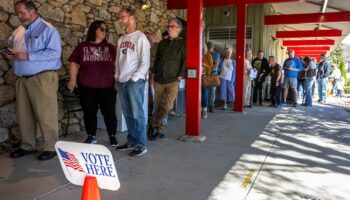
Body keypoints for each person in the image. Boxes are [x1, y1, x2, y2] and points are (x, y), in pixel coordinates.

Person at [7, 0, 61, 160]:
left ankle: (51, 147)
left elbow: (55, 53)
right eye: (17, 13)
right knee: (24, 115)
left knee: (46, 114)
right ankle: (27, 145)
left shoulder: (48, 29)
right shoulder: (19, 30)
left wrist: (28, 55)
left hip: (42, 78)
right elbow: (11, 45)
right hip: (22, 79)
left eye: (21, 12)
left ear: (33, 12)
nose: (19, 16)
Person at [68, 20, 118, 146]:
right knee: (89, 112)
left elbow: (118, 65)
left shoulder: (111, 48)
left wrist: (117, 80)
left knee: (109, 112)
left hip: (107, 86)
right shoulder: (82, 46)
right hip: (87, 86)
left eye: (106, 29)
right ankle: (91, 136)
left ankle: (112, 136)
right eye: (101, 29)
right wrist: (72, 80)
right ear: (94, 29)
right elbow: (74, 63)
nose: (104, 31)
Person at [115, 8, 150, 157]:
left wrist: (135, 78)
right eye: (119, 18)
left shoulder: (141, 38)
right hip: (122, 81)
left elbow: (145, 62)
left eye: (123, 17)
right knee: (127, 114)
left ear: (132, 18)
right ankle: (132, 140)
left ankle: (141, 144)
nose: (120, 20)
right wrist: (117, 76)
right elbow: (118, 61)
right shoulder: (121, 39)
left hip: (135, 82)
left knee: (137, 114)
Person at [148, 18, 186, 140]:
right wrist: (153, 76)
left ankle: (152, 123)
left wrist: (180, 75)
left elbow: (185, 61)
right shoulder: (162, 44)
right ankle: (160, 131)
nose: (169, 28)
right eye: (168, 26)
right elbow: (157, 60)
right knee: (158, 106)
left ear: (179, 29)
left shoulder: (183, 44)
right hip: (159, 79)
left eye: (172, 26)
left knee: (167, 107)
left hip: (173, 80)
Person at [207, 41, 221, 112]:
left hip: (213, 73)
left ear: (213, 48)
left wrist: (206, 65)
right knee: (205, 91)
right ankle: (205, 105)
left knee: (212, 91)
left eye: (210, 48)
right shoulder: (205, 53)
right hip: (205, 74)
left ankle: (211, 105)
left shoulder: (216, 54)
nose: (209, 49)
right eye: (208, 48)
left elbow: (215, 64)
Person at [201, 42, 213, 118]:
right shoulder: (196, 54)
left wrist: (204, 64)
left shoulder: (208, 55)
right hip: (196, 78)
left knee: (205, 94)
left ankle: (204, 110)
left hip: (205, 77)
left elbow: (211, 67)